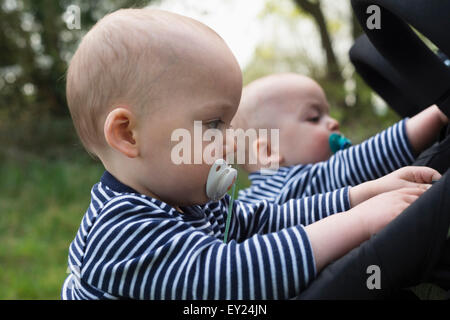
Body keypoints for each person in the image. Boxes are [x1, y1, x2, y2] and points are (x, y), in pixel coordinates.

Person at [61, 8, 440, 300]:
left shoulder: (189, 201)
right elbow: (233, 276)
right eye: (213, 124)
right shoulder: (121, 230)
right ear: (128, 134)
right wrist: (358, 223)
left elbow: (261, 221)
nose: (229, 143)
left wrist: (361, 196)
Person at [232, 73, 448, 205]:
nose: (333, 122)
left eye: (327, 113)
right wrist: (439, 113)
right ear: (269, 153)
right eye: (314, 117)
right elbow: (360, 161)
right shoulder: (290, 188)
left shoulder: (248, 202)